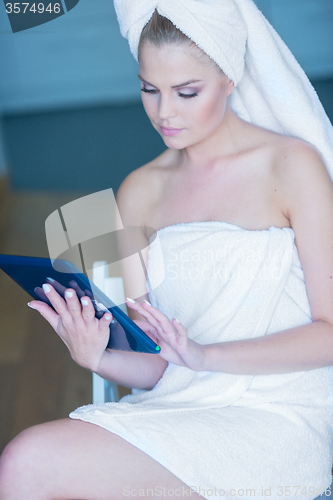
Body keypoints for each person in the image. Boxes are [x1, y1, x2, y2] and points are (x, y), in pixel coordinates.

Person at [1, 1, 333, 499]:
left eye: (187, 92)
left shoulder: (291, 166)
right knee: (27, 463)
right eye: (149, 89)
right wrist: (98, 357)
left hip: (276, 419)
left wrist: (205, 355)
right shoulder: (140, 190)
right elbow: (155, 364)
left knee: (28, 461)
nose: (165, 112)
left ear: (229, 77)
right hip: (177, 408)